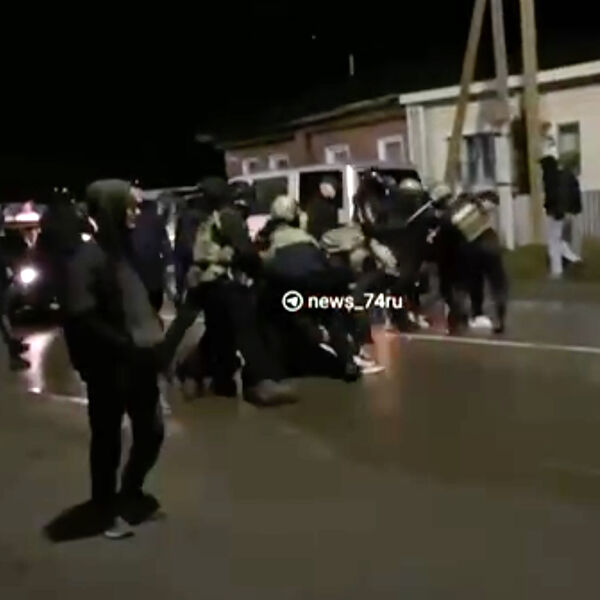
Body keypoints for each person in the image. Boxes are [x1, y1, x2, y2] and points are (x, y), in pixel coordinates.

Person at [61, 179, 165, 539]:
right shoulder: (87, 259)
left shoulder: (125, 251)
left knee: (151, 432)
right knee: (107, 439)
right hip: (110, 366)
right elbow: (81, 317)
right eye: (129, 206)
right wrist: (125, 345)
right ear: (110, 209)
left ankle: (130, 491)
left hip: (140, 362)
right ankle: (105, 510)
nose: (136, 213)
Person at [166, 177, 297, 406]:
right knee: (248, 331)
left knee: (219, 332)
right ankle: (262, 382)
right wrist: (260, 271)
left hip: (206, 283)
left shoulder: (210, 218)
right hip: (224, 282)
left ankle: (192, 371)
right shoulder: (229, 216)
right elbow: (245, 252)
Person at [258, 195, 360, 381]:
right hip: (317, 282)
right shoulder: (307, 238)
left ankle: (274, 365)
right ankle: (348, 361)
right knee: (330, 314)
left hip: (289, 286)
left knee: (268, 311)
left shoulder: (271, 237)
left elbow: (265, 263)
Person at [130, 199, 173, 313]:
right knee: (155, 293)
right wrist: (168, 260)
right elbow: (164, 243)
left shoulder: (134, 221)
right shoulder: (157, 220)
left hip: (137, 263)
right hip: (153, 262)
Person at [305, 176, 340, 241]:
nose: (335, 190)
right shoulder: (317, 202)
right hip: (321, 239)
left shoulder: (327, 201)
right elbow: (315, 225)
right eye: (334, 188)